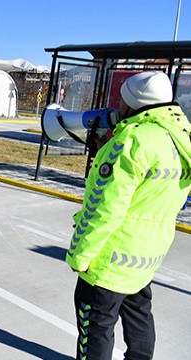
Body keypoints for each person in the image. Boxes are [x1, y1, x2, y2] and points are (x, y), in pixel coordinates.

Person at [66, 71, 191, 360]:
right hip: (144, 258)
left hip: (109, 261)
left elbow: (104, 208)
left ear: (134, 103)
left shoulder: (130, 142)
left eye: (122, 102)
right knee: (139, 319)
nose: (118, 108)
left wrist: (80, 257)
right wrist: (103, 150)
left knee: (96, 328)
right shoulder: (180, 137)